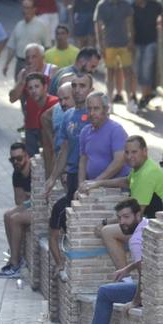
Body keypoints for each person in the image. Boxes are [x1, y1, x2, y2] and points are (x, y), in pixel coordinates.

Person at [65, 198, 147, 324]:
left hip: (151, 291)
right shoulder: (147, 225)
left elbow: (145, 276)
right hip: (155, 287)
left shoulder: (136, 240)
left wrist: (135, 301)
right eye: (120, 218)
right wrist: (127, 269)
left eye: (126, 217)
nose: (122, 222)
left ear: (137, 215)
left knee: (105, 292)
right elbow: (145, 263)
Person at [79, 135, 163, 268]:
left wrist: (105, 223)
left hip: (155, 227)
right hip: (148, 221)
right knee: (113, 229)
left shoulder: (147, 173)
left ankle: (124, 277)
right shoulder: (141, 167)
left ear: (144, 151)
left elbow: (134, 215)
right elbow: (126, 181)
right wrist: (98, 183)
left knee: (107, 231)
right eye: (127, 152)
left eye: (134, 152)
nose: (129, 156)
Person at [45, 73, 95, 273]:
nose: (77, 89)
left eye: (82, 85)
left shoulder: (96, 116)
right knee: (65, 219)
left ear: (91, 89)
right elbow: (64, 149)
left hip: (93, 179)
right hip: (74, 176)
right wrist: (52, 178)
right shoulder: (67, 116)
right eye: (74, 85)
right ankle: (64, 266)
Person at [0, 142, 35, 279]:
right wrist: (30, 198)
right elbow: (19, 201)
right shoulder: (17, 174)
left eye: (19, 158)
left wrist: (30, 198)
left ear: (26, 156)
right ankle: (15, 258)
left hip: (43, 209)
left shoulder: (35, 170)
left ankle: (14, 263)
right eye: (12, 160)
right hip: (32, 204)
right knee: (7, 215)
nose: (16, 162)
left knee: (15, 219)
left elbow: (39, 198)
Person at [9, 68, 59, 157]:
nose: (33, 91)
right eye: (30, 88)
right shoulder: (29, 103)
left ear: (45, 87)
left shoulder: (54, 104)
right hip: (32, 133)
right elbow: (12, 98)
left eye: (37, 86)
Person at [94, 0, 134, 105]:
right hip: (108, 44)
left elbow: (130, 23)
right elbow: (98, 26)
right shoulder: (102, 5)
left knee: (127, 72)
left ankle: (129, 101)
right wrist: (100, 45)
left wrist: (131, 40)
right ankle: (110, 102)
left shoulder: (125, 4)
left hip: (124, 44)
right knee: (110, 72)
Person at [130, 0, 162, 110]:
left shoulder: (155, 5)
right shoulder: (131, 6)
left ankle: (145, 97)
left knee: (147, 69)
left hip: (150, 41)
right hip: (136, 43)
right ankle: (134, 96)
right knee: (136, 70)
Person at [6, 0, 52, 76]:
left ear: (34, 9)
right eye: (24, 8)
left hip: (35, 64)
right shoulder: (19, 25)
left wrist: (46, 68)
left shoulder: (42, 25)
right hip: (20, 63)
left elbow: (47, 47)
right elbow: (12, 46)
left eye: (28, 8)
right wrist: (6, 64)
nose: (25, 11)